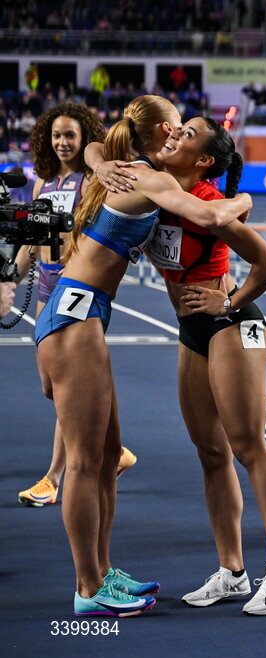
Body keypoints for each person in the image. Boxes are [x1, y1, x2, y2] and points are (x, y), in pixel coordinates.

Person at [36, 95, 251, 617]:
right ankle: (88, 589)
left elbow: (92, 146)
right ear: (158, 132)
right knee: (85, 464)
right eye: (176, 127)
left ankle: (102, 572)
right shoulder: (148, 178)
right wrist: (240, 195)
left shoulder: (126, 168)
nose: (180, 134)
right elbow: (214, 212)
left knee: (106, 459)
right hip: (74, 320)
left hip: (77, 314)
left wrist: (97, 160)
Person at [95, 116, 266, 615]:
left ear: (203, 160)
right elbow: (100, 144)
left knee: (248, 446)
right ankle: (232, 572)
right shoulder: (157, 185)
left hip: (234, 325)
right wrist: (100, 164)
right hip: (192, 331)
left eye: (185, 135)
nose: (173, 136)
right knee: (210, 452)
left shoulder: (208, 202)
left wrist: (228, 304)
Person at [11, 102, 138, 508]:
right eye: (56, 136)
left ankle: (52, 478)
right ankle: (114, 448)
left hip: (75, 289)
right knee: (52, 387)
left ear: (83, 137)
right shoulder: (41, 183)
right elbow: (31, 237)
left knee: (68, 389)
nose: (63, 142)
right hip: (45, 289)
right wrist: (10, 276)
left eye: (70, 135)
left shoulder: (91, 181)